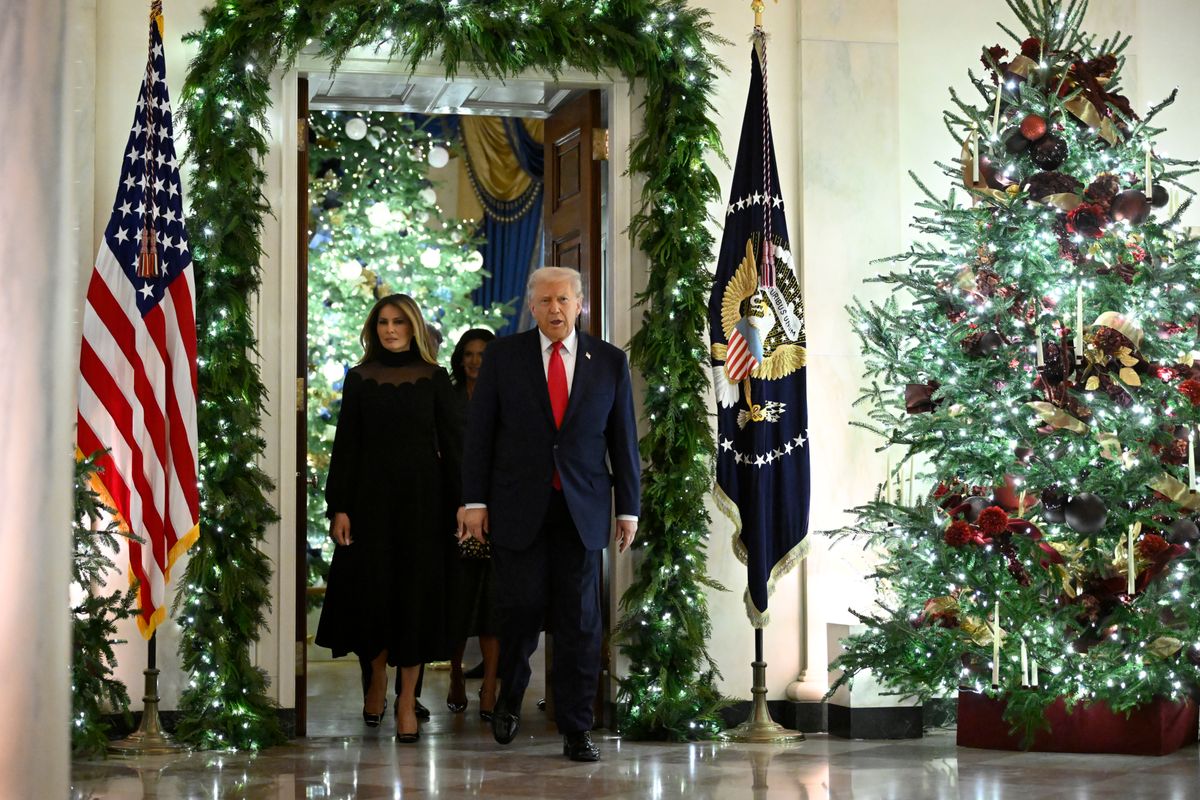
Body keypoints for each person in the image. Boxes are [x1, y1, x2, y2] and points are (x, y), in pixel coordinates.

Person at [460, 266, 640, 762]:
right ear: (532, 307)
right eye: (545, 301)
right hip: (518, 507)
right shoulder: (504, 357)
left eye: (563, 299)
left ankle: (577, 727)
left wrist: (628, 508)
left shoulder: (607, 361)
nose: (554, 309)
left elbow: (622, 440)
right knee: (519, 611)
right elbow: (479, 436)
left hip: (581, 510)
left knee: (581, 623)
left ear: (580, 304)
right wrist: (474, 502)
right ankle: (510, 696)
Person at [315, 293, 460, 743]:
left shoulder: (436, 379)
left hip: (424, 505)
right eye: (383, 323)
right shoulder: (359, 378)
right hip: (369, 503)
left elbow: (456, 449)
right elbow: (347, 447)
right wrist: (339, 506)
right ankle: (376, 682)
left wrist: (463, 505)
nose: (391, 329)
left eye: (399, 322)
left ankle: (406, 699)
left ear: (413, 326)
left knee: (415, 598)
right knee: (373, 595)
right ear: (373, 329)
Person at [446, 328, 500, 719]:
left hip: (497, 509)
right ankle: (453, 676)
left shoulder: (506, 392)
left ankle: (490, 685)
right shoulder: (446, 397)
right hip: (449, 506)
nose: (475, 360)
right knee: (455, 601)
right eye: (469, 353)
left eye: (482, 353)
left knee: (492, 604)